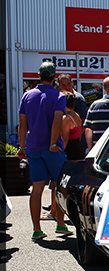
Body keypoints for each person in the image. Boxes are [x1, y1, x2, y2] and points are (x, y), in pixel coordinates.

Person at [17, 62, 71, 240]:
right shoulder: (58, 96)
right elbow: (57, 121)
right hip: (52, 148)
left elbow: (22, 125)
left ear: (39, 75)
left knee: (37, 188)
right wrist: (53, 143)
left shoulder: (27, 96)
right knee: (59, 185)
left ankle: (36, 228)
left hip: (33, 147)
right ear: (54, 77)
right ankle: (61, 224)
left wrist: (22, 146)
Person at [60, 92, 85, 162]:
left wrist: (60, 153)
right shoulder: (76, 115)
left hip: (70, 151)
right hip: (78, 148)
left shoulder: (66, 118)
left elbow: (65, 139)